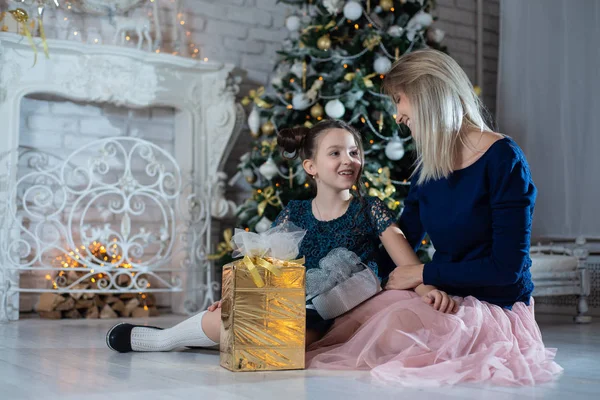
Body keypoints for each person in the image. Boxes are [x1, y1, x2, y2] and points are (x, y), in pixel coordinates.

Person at [304, 49, 562, 386]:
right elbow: (398, 242)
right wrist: (325, 284)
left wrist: (424, 272)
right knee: (350, 323)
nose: (397, 115)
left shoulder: (504, 159)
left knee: (391, 333)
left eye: (399, 100)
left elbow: (507, 271)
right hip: (441, 295)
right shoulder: (429, 167)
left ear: (427, 95)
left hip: (494, 308)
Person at [106, 119, 455, 354]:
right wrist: (236, 298)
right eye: (335, 153)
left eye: (354, 152)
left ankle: (210, 341)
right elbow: (265, 265)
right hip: (285, 300)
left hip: (327, 311)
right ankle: (163, 341)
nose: (348, 160)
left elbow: (406, 264)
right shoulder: (295, 212)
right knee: (226, 317)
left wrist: (428, 288)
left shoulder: (371, 208)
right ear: (311, 166)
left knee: (287, 339)